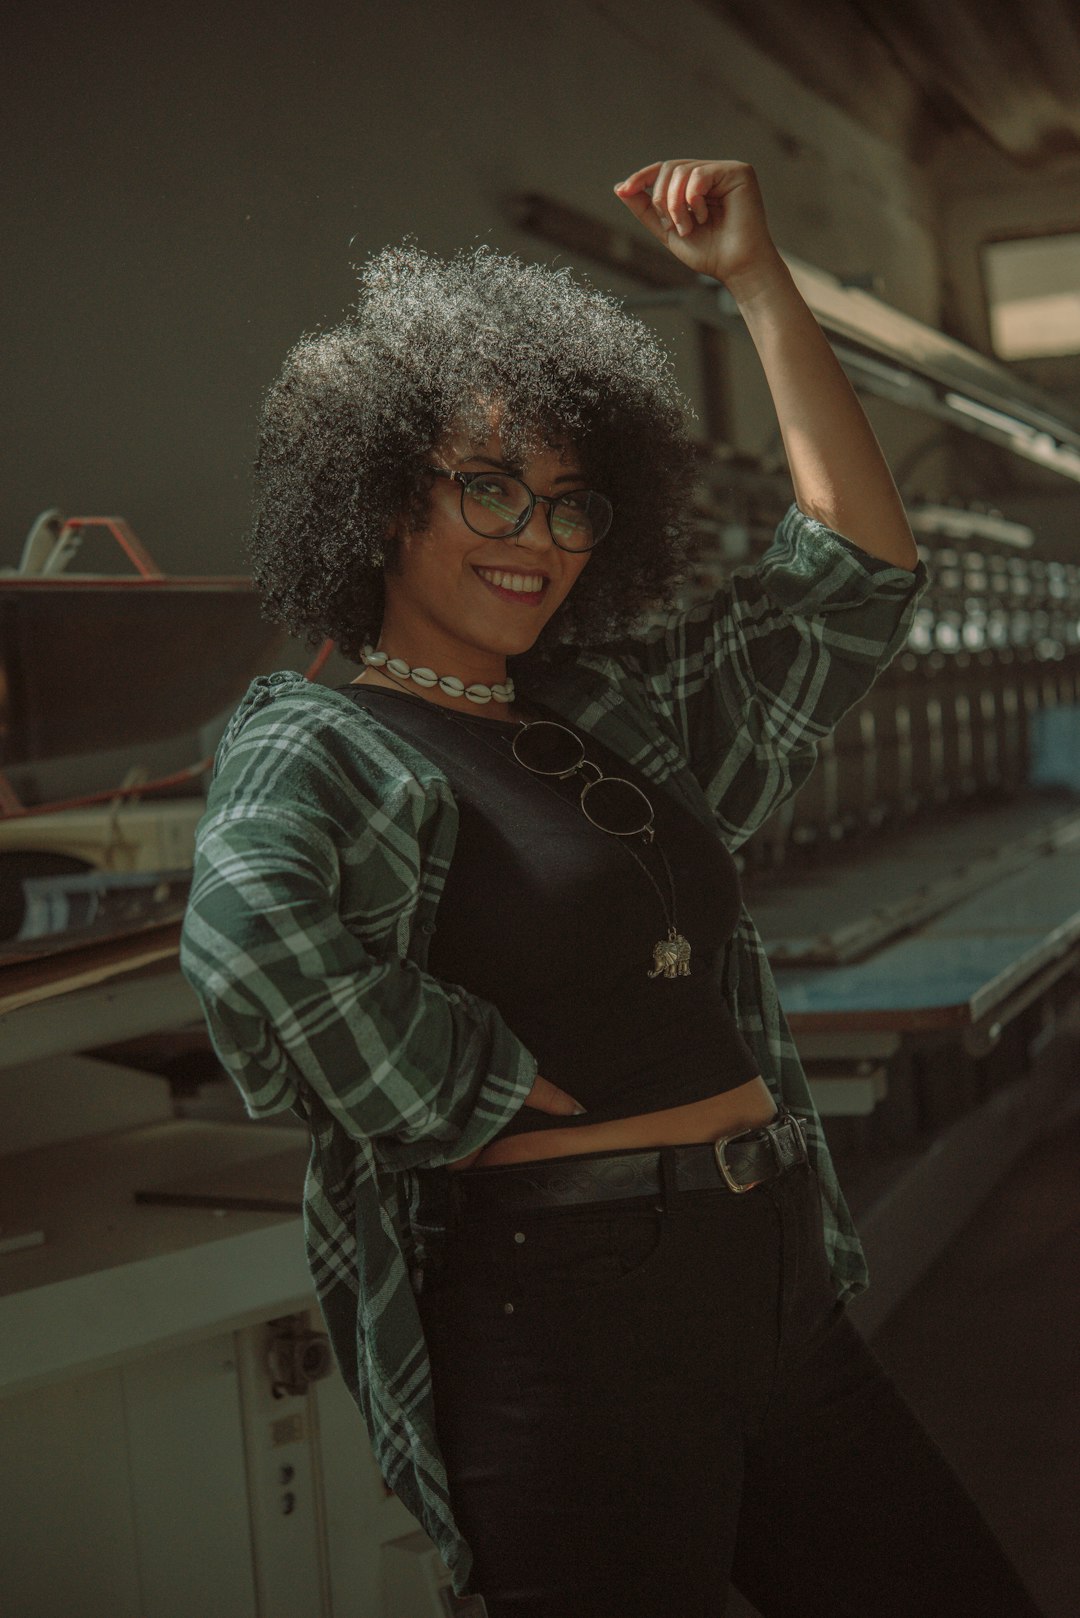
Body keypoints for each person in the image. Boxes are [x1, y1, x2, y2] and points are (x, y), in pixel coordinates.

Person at [180, 160, 1043, 1616]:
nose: (535, 537)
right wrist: (474, 1085)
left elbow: (857, 575)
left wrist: (759, 286)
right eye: (491, 488)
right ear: (386, 496)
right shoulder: (326, 734)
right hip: (566, 1304)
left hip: (767, 1275)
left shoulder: (606, 713)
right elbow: (250, 938)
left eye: (574, 507)